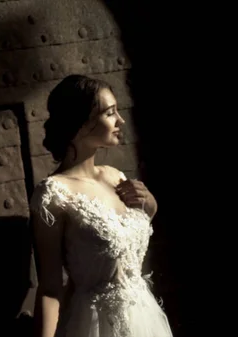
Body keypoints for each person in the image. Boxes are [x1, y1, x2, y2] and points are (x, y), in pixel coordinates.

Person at [29, 74, 173, 337]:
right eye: (110, 113)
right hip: (93, 325)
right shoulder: (53, 194)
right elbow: (50, 287)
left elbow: (126, 248)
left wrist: (150, 209)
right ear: (82, 123)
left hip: (144, 320)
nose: (121, 121)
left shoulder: (116, 177)